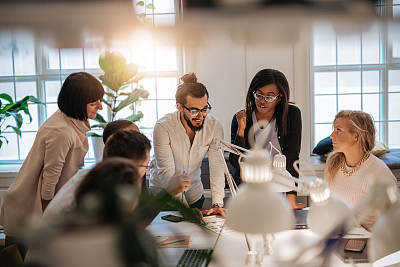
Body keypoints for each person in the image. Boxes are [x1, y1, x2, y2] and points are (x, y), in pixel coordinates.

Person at [0, 72, 104, 257]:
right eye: (93, 103)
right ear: (76, 102)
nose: (100, 107)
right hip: (31, 210)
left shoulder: (70, 120)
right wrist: (52, 220)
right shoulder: (62, 131)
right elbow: (49, 183)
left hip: (38, 206)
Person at [41, 125, 189, 227]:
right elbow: (134, 223)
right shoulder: (103, 190)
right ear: (130, 167)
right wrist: (168, 192)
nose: (145, 172)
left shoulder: (94, 175)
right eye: (146, 166)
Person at [149, 73, 226, 216]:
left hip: (194, 195)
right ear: (180, 107)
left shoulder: (214, 126)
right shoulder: (163, 127)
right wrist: (185, 210)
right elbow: (167, 173)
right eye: (194, 110)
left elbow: (217, 167)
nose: (200, 116)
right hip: (164, 197)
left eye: (204, 109)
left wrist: (217, 203)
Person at [229, 69, 304, 209]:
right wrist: (241, 130)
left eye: (269, 97)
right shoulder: (241, 117)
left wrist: (291, 199)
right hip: (248, 186)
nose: (262, 101)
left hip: (278, 183)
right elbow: (235, 162)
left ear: (279, 97)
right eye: (259, 95)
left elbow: (292, 157)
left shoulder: (292, 115)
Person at [325, 110, 397, 232]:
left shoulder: (381, 173)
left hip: (367, 242)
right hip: (337, 234)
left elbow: (391, 226)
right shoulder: (333, 163)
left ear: (356, 136)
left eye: (338, 130)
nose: (331, 135)